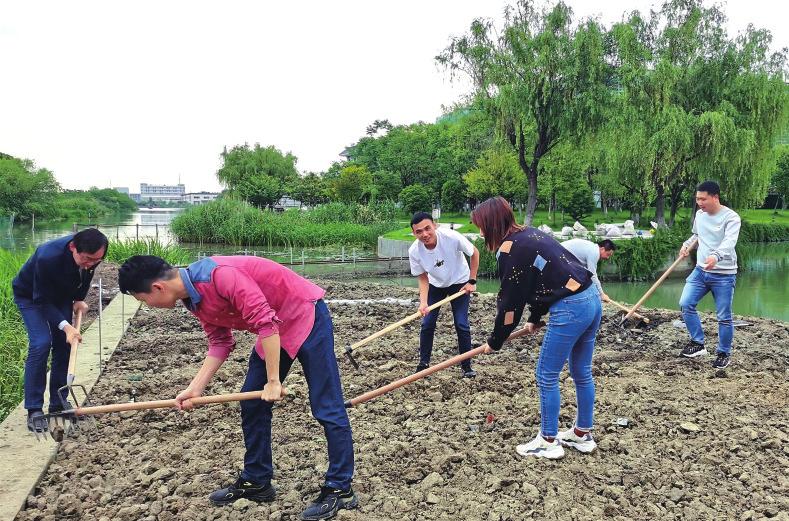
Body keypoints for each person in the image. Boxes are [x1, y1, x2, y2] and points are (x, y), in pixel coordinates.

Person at [118, 255, 356, 521]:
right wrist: (195, 388)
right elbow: (220, 342)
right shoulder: (193, 299)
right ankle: (257, 480)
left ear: (158, 288)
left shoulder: (220, 276)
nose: (147, 305)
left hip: (304, 314)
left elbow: (265, 323)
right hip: (274, 326)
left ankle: (340, 488)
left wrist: (273, 382)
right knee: (252, 402)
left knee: (327, 404)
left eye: (143, 300)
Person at [471, 197, 602, 460]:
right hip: (591, 299)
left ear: (491, 224)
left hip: (570, 308)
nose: (481, 233)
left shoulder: (510, 249)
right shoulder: (529, 234)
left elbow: (510, 302)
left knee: (546, 374)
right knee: (581, 371)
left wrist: (495, 341)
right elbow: (545, 276)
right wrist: (535, 316)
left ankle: (548, 440)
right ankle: (582, 434)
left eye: (481, 227)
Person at [12, 228, 108, 433]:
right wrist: (66, 326)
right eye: (87, 259)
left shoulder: (92, 256)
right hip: (31, 296)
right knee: (41, 343)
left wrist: (79, 298)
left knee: (64, 344)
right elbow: (41, 300)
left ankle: (58, 404)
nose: (91, 264)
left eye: (97, 260)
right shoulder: (47, 257)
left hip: (61, 295)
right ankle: (34, 409)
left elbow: (86, 273)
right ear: (73, 247)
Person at [408, 211, 480, 378]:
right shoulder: (414, 251)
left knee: (461, 323)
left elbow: (475, 252)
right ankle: (423, 364)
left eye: (427, 228)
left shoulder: (451, 237)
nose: (424, 234)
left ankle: (467, 366)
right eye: (419, 231)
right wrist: (423, 302)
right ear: (414, 233)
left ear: (435, 225)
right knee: (427, 323)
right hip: (436, 285)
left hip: (460, 283)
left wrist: (472, 281)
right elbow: (423, 278)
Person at [678, 180, 741, 369]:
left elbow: (729, 242)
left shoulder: (731, 218)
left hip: (724, 274)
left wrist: (716, 256)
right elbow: (697, 236)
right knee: (686, 303)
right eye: (697, 199)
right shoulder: (700, 215)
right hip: (700, 271)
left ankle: (723, 353)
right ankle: (698, 343)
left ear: (715, 197)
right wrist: (686, 245)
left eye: (703, 199)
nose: (699, 203)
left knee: (724, 316)